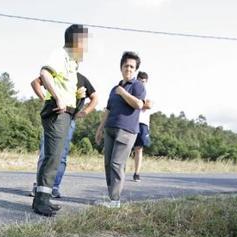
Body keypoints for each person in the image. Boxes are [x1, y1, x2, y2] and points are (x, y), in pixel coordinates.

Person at [33, 24, 89, 217]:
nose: (86, 47)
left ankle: (44, 198)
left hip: (65, 114)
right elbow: (44, 73)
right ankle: (41, 202)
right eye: (85, 42)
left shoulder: (72, 63)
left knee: (54, 158)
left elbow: (61, 83)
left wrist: (76, 94)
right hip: (57, 112)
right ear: (76, 41)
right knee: (52, 157)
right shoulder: (60, 54)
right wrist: (57, 97)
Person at [29, 72, 98, 199]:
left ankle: (54, 187)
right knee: (46, 152)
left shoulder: (82, 79)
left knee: (62, 155)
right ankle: (40, 186)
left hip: (70, 119)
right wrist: (45, 99)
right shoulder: (58, 73)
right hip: (54, 117)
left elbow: (95, 97)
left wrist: (84, 112)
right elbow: (35, 83)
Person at [94, 52, 146, 208]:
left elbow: (139, 105)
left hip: (127, 130)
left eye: (132, 66)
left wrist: (123, 93)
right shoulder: (114, 89)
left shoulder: (138, 85)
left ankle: (115, 201)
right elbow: (108, 110)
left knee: (117, 164)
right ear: (121, 67)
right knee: (108, 164)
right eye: (126, 66)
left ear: (136, 69)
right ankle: (111, 197)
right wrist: (99, 129)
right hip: (110, 128)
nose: (128, 69)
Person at [131, 71, 152, 182]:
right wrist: (139, 103)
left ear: (146, 82)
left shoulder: (148, 92)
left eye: (144, 81)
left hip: (142, 123)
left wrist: (137, 103)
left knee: (139, 149)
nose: (142, 83)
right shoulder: (133, 91)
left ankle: (137, 173)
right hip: (131, 121)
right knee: (126, 147)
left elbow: (148, 105)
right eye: (140, 81)